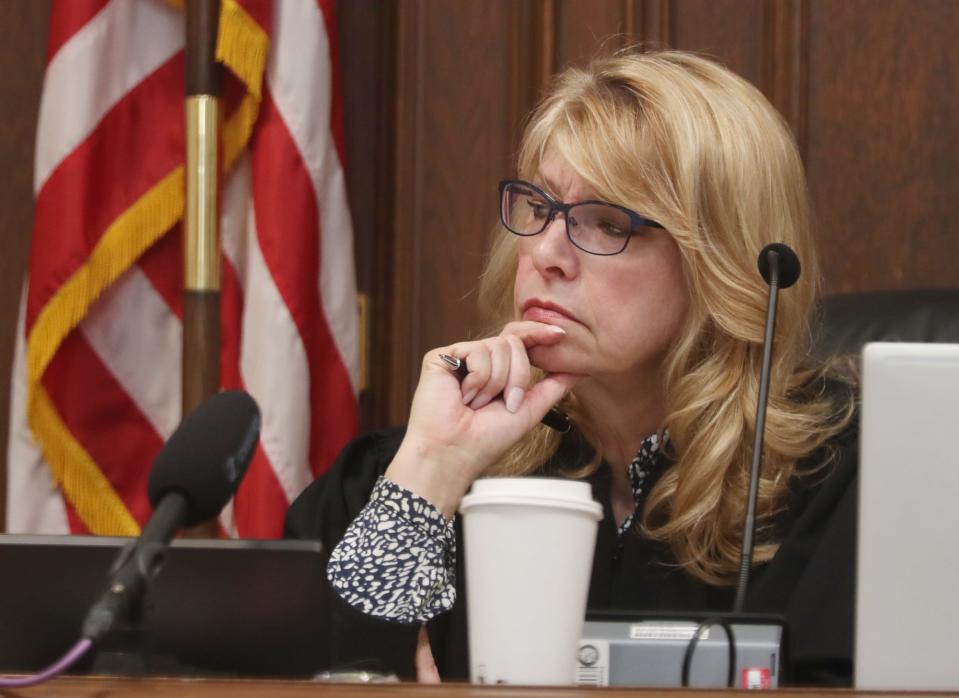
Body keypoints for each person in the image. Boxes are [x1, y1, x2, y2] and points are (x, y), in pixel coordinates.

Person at [286, 49, 858, 685]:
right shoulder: (405, 472)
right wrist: (433, 467)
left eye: (607, 222)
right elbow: (296, 674)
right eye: (541, 208)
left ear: (719, 261)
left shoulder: (840, 477)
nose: (547, 253)